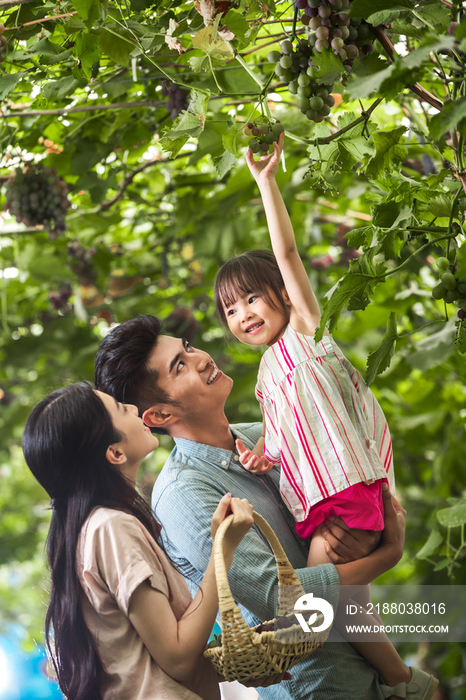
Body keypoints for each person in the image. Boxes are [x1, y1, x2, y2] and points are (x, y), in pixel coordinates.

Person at [212, 133, 438, 700]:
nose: (243, 315)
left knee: (314, 598)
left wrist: (267, 182)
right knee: (345, 601)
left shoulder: (310, 334)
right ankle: (406, 683)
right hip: (318, 502)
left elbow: (286, 255)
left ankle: (308, 661)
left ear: (285, 298)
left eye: (253, 299)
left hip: (345, 495)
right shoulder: (266, 377)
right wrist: (263, 457)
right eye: (231, 310)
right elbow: (290, 443)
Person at [94, 314, 409, 700]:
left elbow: (348, 503)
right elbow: (275, 596)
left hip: (370, 664)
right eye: (180, 366)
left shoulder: (264, 435)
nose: (201, 358)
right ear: (160, 416)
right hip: (319, 685)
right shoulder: (182, 493)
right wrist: (388, 555)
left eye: (188, 348)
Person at [22, 381, 284, 700]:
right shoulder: (111, 527)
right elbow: (177, 658)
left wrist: (237, 661)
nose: (132, 408)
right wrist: (223, 550)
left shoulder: (98, 528)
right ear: (115, 452)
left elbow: (143, 655)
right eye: (121, 410)